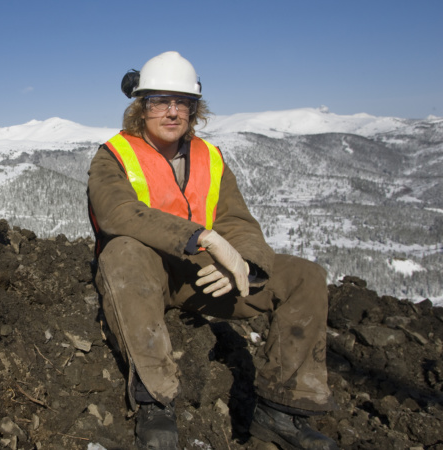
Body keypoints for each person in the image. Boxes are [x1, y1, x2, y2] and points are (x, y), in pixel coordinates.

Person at [87, 51, 339, 450]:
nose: (172, 112)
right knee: (123, 252)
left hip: (205, 278)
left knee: (306, 276)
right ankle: (156, 402)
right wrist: (204, 238)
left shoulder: (211, 158)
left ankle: (281, 413)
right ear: (141, 107)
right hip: (144, 276)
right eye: (159, 102)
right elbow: (118, 212)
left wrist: (244, 264)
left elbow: (238, 221)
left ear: (193, 108)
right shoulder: (114, 155)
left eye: (182, 102)